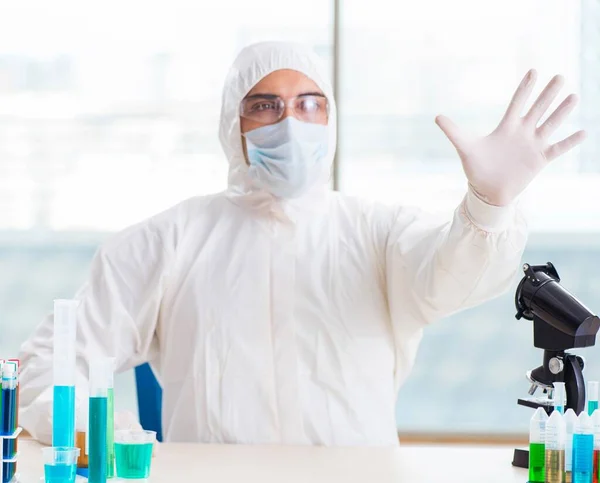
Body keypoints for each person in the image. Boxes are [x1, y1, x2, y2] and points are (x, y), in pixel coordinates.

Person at [19, 41, 585, 446]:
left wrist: (488, 204)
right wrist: (90, 428)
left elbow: (450, 277)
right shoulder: (168, 242)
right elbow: (50, 365)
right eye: (265, 105)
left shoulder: (377, 232)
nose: (290, 122)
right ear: (231, 124)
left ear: (331, 121)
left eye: (310, 103)